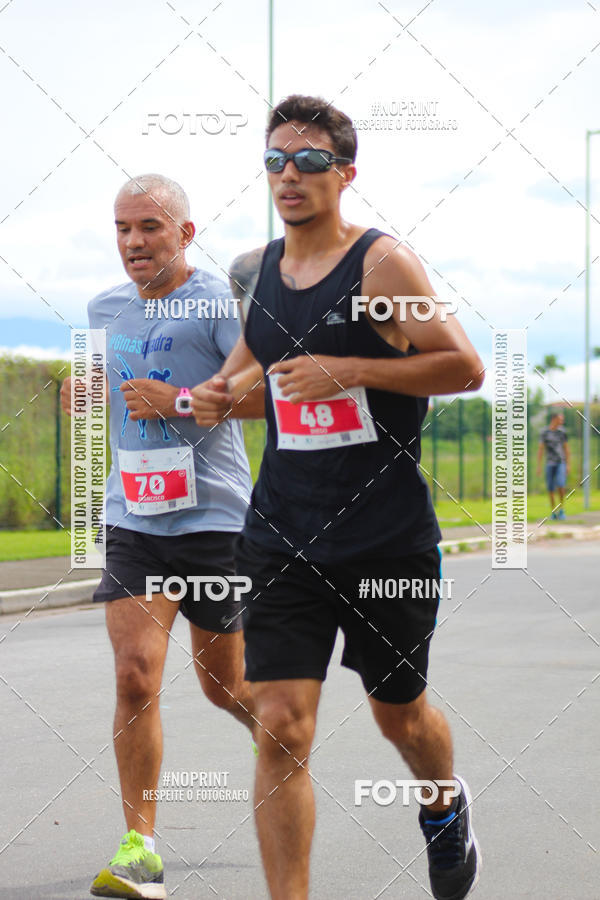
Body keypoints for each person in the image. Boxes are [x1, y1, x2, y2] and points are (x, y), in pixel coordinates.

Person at [191, 95, 484, 900]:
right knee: (281, 725)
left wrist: (352, 369)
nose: (290, 174)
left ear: (345, 173)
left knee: (400, 715)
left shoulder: (384, 265)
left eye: (310, 160)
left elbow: (463, 367)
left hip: (385, 539)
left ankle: (442, 803)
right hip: (282, 535)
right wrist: (213, 396)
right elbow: (248, 376)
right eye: (276, 160)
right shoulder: (256, 272)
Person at [61, 173, 263, 899]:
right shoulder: (102, 307)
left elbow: (263, 394)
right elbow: (95, 379)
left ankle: (276, 731)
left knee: (224, 687)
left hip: (214, 522)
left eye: (149, 226)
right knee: (135, 675)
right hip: (134, 519)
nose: (134, 241)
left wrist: (178, 400)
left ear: (185, 232)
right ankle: (140, 848)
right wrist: (80, 389)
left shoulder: (217, 303)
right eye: (123, 228)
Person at [537, 411, 570, 519]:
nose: (562, 421)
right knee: (550, 488)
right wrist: (539, 466)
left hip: (561, 462)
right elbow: (541, 449)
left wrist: (568, 464)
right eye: (560, 419)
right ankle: (554, 512)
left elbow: (566, 449)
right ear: (554, 419)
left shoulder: (562, 432)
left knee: (561, 485)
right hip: (549, 463)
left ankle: (561, 510)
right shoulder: (544, 432)